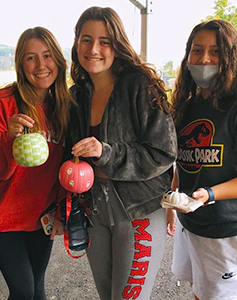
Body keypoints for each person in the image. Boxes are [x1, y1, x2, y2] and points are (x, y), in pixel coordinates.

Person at [67, 6, 177, 300]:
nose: (94, 49)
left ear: (117, 44)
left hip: (139, 209)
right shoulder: (78, 94)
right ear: (76, 42)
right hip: (95, 209)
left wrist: (106, 152)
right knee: (108, 295)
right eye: (86, 39)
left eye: (104, 41)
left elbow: (163, 152)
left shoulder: (139, 85)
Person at [166, 19, 237, 300]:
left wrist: (210, 194)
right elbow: (184, 161)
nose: (205, 59)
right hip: (194, 223)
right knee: (200, 290)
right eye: (197, 50)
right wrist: (173, 201)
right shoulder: (188, 105)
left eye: (216, 51)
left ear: (230, 57)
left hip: (231, 229)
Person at [0, 27, 72, 300]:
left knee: (36, 288)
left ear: (59, 61)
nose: (41, 65)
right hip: (0, 216)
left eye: (47, 55)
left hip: (41, 215)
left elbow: (66, 164)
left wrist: (62, 209)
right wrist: (9, 140)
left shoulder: (65, 106)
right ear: (20, 64)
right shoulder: (1, 103)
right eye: (30, 58)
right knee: (23, 290)